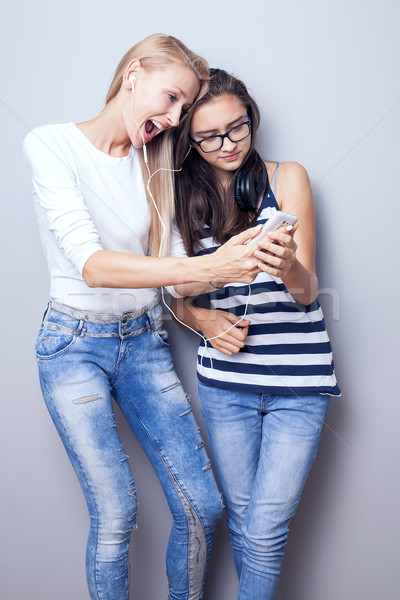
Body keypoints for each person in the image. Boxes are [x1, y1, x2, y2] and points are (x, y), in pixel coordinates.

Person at [23, 37, 266, 600]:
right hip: (73, 345)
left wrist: (234, 264)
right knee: (117, 514)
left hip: (144, 340)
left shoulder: (157, 166)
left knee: (202, 507)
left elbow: (177, 274)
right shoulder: (52, 144)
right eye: (171, 97)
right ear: (134, 73)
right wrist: (214, 266)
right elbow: (93, 266)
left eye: (184, 109)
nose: (175, 118)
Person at [168, 68, 341, 599]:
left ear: (252, 119)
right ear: (190, 142)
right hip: (225, 387)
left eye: (238, 129)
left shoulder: (287, 176)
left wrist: (287, 263)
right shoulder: (181, 198)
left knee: (264, 533)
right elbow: (170, 293)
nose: (228, 145)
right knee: (244, 525)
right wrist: (202, 319)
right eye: (211, 136)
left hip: (299, 388)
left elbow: (309, 292)